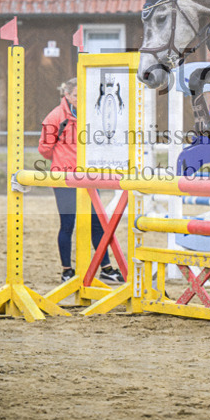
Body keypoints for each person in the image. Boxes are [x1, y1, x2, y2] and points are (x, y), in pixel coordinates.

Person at [38, 78, 124, 284]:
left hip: (90, 177)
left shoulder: (93, 114)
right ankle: (67, 270)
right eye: (76, 95)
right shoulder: (55, 117)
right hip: (65, 179)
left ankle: (106, 268)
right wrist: (64, 161)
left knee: (98, 224)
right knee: (67, 225)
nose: (79, 99)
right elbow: (44, 149)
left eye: (82, 95)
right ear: (66, 95)